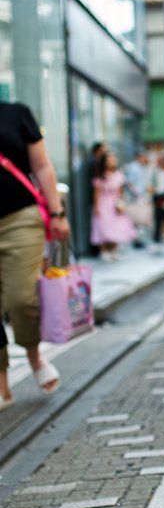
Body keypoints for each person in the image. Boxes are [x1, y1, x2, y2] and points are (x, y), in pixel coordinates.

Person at [0, 102, 70, 407]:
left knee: (21, 299)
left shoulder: (16, 114)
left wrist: (56, 211)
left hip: (19, 218)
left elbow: (41, 165)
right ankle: (1, 381)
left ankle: (33, 355)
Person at [90, 151, 136, 261]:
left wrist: (121, 204)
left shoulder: (118, 175)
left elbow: (120, 192)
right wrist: (96, 207)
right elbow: (96, 193)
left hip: (114, 204)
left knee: (116, 226)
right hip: (103, 203)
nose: (112, 162)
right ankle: (104, 250)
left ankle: (114, 250)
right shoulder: (100, 177)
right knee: (103, 226)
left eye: (113, 159)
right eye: (109, 160)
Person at [125, 149, 152, 247]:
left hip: (141, 197)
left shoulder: (142, 167)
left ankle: (139, 240)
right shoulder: (133, 167)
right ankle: (136, 240)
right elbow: (130, 183)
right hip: (135, 198)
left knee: (141, 220)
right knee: (135, 219)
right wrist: (136, 193)